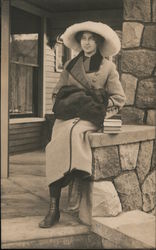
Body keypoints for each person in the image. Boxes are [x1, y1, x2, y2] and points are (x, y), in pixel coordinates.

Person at [39, 21, 126, 228]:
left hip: (88, 119)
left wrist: (101, 107)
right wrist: (69, 103)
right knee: (55, 145)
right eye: (83, 39)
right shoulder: (70, 66)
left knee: (75, 133)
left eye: (91, 39)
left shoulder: (107, 67)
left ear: (98, 43)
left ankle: (76, 174)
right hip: (67, 116)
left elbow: (119, 98)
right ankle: (53, 208)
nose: (87, 43)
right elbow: (55, 92)